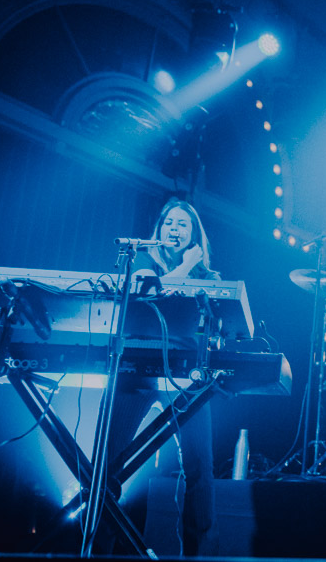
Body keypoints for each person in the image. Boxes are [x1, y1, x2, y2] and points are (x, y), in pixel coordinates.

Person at [107, 198, 219, 555]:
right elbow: (152, 295)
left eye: (182, 224)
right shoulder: (141, 262)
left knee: (200, 467)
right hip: (137, 368)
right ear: (159, 229)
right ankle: (99, 546)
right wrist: (186, 265)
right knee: (108, 463)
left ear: (193, 234)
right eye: (169, 222)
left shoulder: (209, 279)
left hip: (186, 374)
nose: (174, 229)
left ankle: (194, 553)